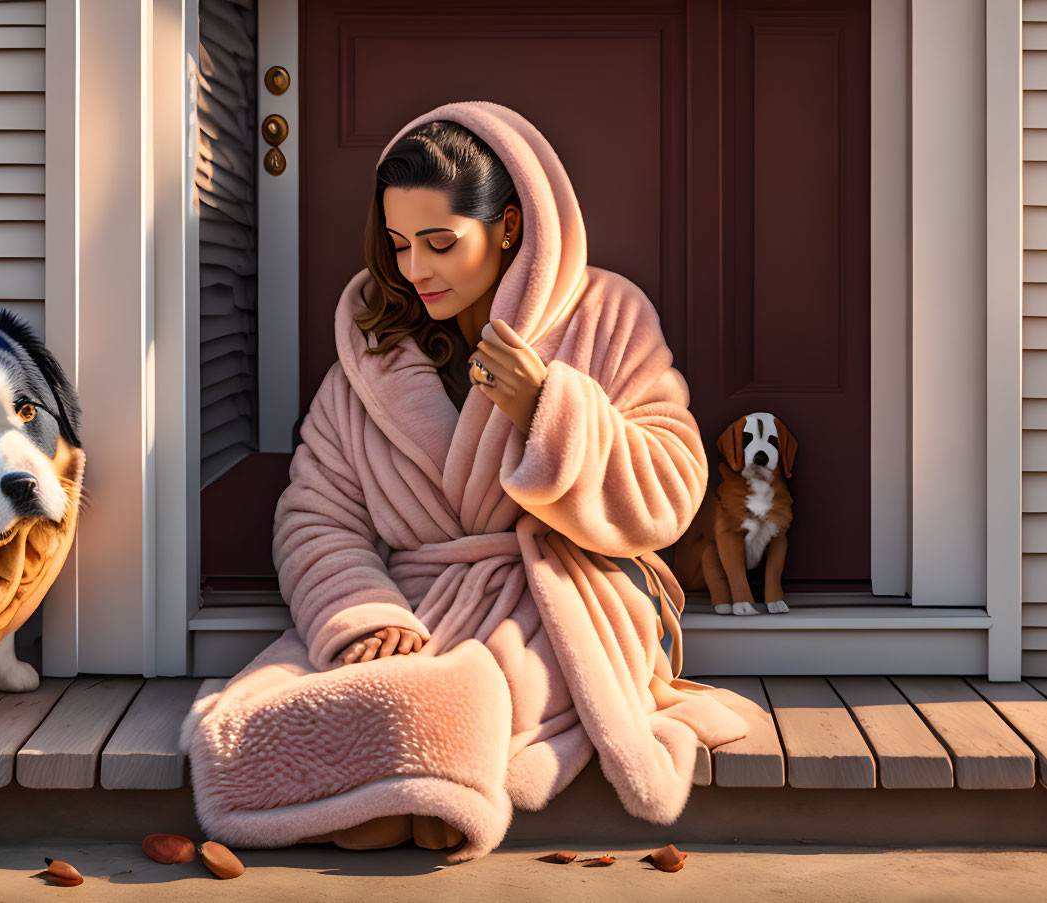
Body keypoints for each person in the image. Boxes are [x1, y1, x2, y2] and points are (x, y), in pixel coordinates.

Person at [182, 101, 751, 863]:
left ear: (509, 227)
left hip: (566, 591)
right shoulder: (373, 353)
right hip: (418, 604)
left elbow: (673, 486)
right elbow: (316, 511)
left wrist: (548, 412)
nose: (415, 270)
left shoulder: (605, 316)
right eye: (399, 245)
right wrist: (360, 611)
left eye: (440, 243)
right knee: (337, 695)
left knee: (480, 686)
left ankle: (406, 781)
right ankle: (414, 778)